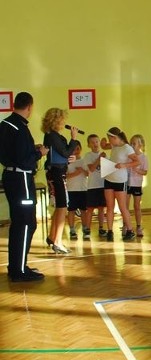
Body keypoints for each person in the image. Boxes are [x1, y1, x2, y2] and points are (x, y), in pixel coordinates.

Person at [0, 92, 48, 282]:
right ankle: (18, 271)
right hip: (22, 179)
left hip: (11, 176)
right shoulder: (19, 127)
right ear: (29, 106)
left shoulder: (5, 124)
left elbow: (12, 153)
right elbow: (24, 159)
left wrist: (31, 150)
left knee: (19, 223)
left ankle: (17, 266)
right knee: (26, 223)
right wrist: (39, 153)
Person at [42, 107, 80, 254]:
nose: (64, 122)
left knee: (59, 206)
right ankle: (57, 241)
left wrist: (70, 158)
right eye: (62, 119)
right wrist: (74, 139)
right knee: (63, 206)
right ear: (56, 120)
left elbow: (65, 154)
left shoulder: (53, 136)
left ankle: (52, 237)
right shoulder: (52, 136)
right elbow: (65, 151)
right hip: (56, 173)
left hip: (58, 170)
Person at [103, 127, 138, 241]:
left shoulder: (127, 148)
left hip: (120, 181)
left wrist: (124, 165)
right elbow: (104, 146)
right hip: (109, 178)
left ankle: (130, 230)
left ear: (115, 138)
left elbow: (137, 161)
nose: (110, 141)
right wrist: (103, 142)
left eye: (110, 139)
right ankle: (110, 231)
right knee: (109, 207)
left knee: (123, 207)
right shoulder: (114, 146)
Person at [84, 134, 107, 237]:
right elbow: (92, 168)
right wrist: (99, 159)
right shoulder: (88, 156)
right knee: (90, 209)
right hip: (92, 186)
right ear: (89, 145)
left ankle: (101, 229)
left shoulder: (105, 155)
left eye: (97, 141)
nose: (95, 144)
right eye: (92, 142)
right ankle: (87, 229)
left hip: (103, 185)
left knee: (102, 208)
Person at [65, 143, 89, 240]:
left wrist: (82, 171)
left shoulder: (84, 161)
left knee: (84, 210)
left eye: (78, 148)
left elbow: (88, 173)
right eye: (74, 149)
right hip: (71, 190)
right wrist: (76, 173)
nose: (76, 150)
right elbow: (65, 176)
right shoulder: (68, 162)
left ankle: (85, 228)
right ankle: (72, 229)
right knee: (71, 210)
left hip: (83, 189)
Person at [127, 134, 148, 237]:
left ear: (140, 145)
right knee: (125, 206)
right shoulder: (128, 156)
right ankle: (126, 225)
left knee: (136, 206)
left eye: (134, 143)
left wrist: (138, 170)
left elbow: (145, 172)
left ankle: (139, 226)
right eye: (131, 143)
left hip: (137, 184)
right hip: (127, 183)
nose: (132, 145)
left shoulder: (143, 157)